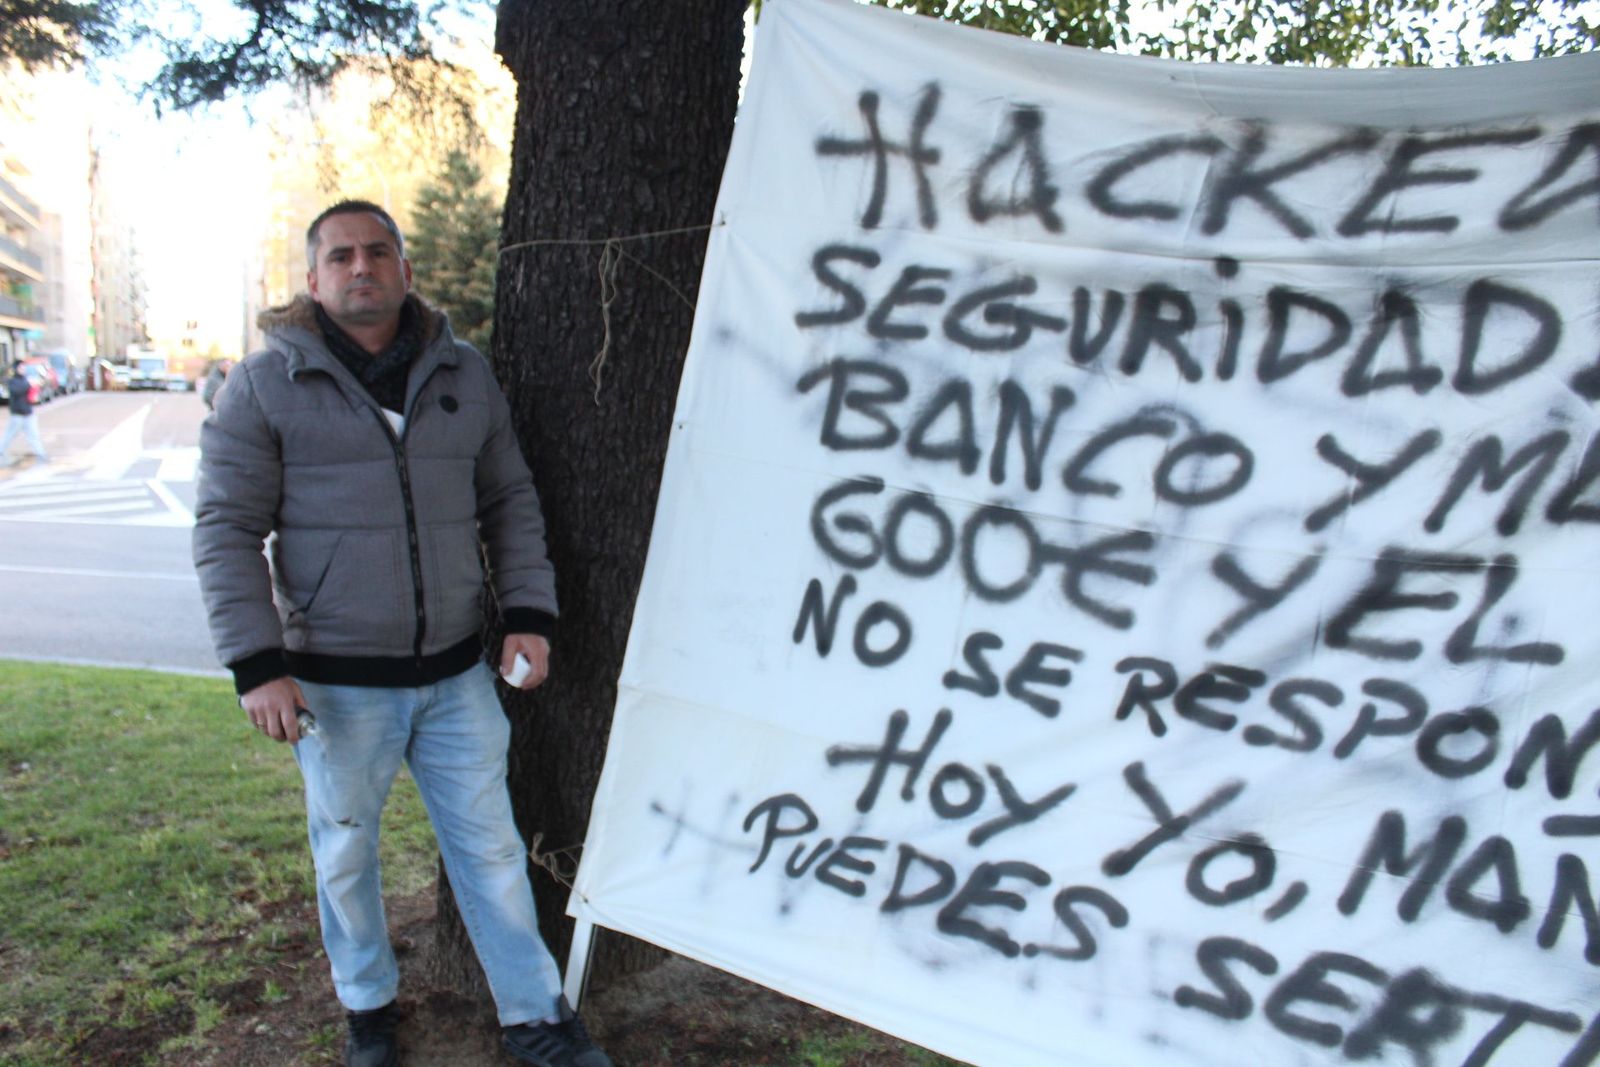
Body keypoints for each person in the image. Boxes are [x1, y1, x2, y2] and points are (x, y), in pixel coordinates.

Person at [192, 200, 611, 1067]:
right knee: (345, 854)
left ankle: (535, 1017)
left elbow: (510, 499)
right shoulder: (265, 384)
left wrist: (528, 614)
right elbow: (226, 529)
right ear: (314, 280)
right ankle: (368, 1007)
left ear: (405, 270)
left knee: (492, 850)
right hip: (335, 686)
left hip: (458, 677)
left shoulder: (462, 371)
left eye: (378, 252)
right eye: (341, 255)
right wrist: (256, 665)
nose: (361, 267)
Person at [1, 361, 48, 463]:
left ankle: (41, 454)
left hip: (28, 413)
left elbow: (31, 393)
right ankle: (1, 451)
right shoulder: (13, 381)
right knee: (9, 435)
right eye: (21, 368)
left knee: (33, 435)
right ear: (16, 369)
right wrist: (29, 384)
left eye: (24, 367)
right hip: (17, 414)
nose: (23, 369)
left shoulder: (25, 379)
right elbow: (17, 390)